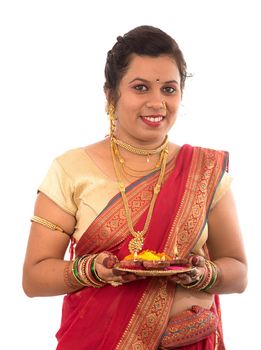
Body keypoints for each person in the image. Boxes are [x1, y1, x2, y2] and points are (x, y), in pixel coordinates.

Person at [22, 25, 247, 350]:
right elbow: (34, 278)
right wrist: (91, 271)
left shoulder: (205, 171)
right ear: (111, 94)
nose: (157, 102)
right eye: (141, 87)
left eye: (169, 89)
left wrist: (203, 274)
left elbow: (238, 272)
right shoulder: (70, 170)